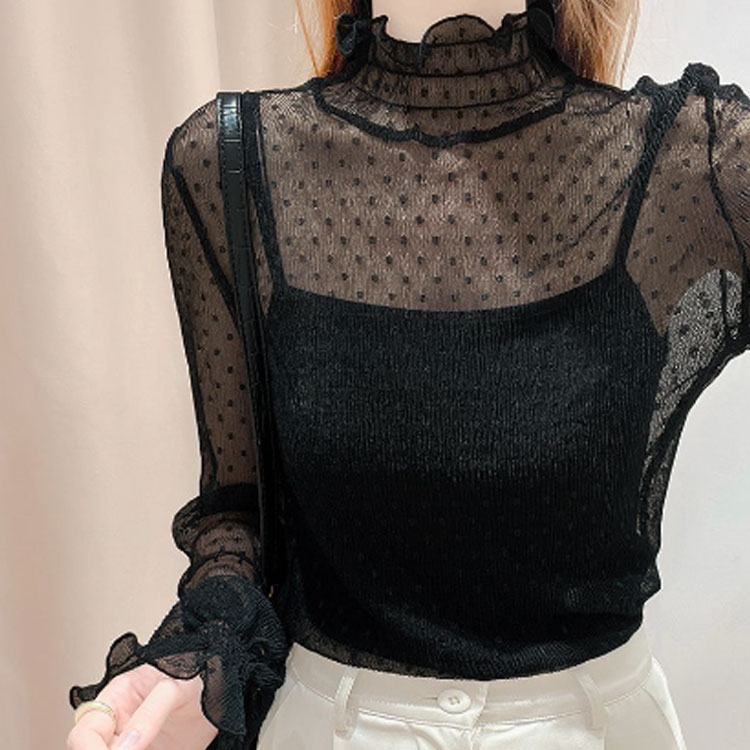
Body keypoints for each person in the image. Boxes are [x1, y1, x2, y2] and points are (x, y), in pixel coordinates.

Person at [67, 0, 750, 748]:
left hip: (596, 726)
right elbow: (240, 509)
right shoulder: (230, 163)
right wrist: (209, 638)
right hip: (330, 728)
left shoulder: (694, 165)